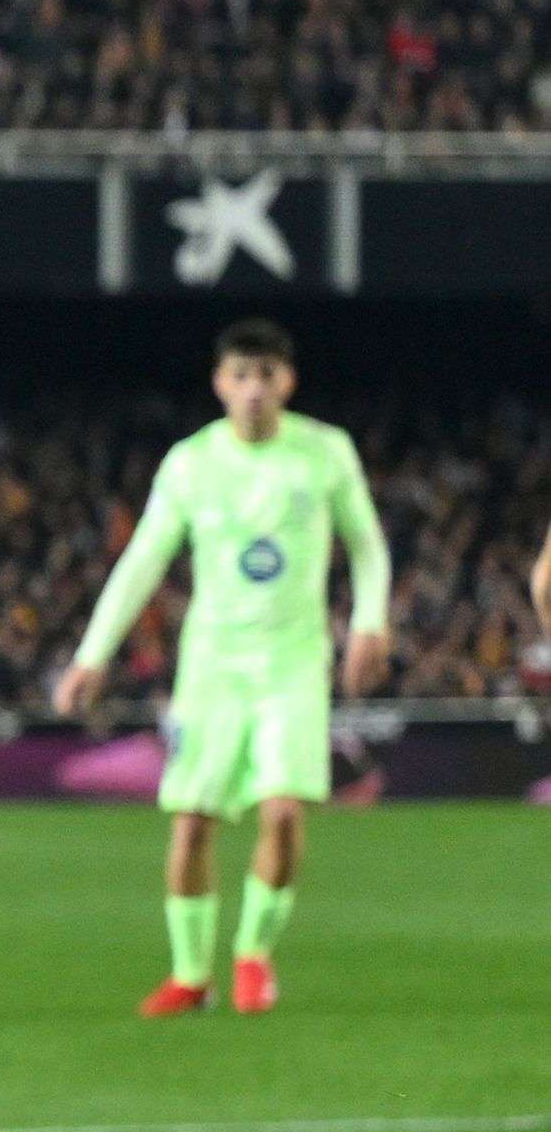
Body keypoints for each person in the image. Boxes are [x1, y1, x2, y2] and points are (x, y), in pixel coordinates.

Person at [54, 320, 391, 1017]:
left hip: (295, 661)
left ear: (286, 383)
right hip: (212, 666)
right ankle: (189, 975)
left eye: (267, 376)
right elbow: (143, 559)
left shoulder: (324, 453)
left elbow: (367, 546)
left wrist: (369, 622)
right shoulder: (190, 463)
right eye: (241, 376)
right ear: (220, 384)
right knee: (192, 824)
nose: (254, 390)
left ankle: (253, 959)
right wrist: (92, 654)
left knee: (284, 812)